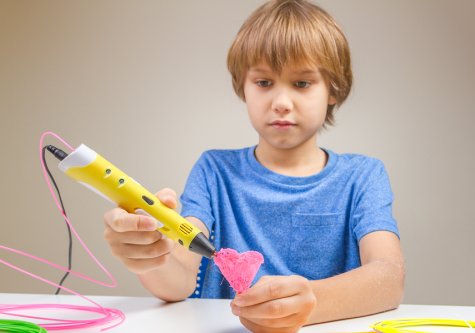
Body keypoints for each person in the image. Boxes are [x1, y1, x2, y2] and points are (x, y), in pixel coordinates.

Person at [103, 0, 405, 332]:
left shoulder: (363, 176)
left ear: (332, 89)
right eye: (263, 82)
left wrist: (311, 303)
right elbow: (179, 280)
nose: (281, 103)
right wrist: (150, 257)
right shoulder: (214, 171)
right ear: (242, 86)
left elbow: (388, 277)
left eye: (302, 83)